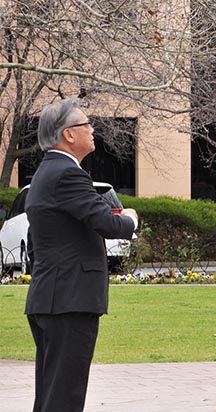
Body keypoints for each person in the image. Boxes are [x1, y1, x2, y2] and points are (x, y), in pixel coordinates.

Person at [25, 98, 138, 412]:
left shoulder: (45, 175)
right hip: (69, 302)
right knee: (65, 398)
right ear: (68, 135)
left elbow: (36, 245)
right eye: (86, 124)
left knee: (52, 395)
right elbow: (106, 222)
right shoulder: (67, 174)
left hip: (52, 298)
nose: (92, 130)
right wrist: (131, 219)